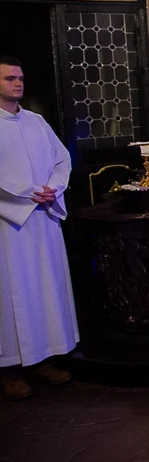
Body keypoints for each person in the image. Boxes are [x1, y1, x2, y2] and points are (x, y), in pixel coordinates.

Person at [0, 57, 78, 400]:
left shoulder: (36, 121)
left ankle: (44, 358)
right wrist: (29, 191)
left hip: (44, 217)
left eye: (19, 78)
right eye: (9, 79)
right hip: (9, 222)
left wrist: (54, 187)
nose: (18, 84)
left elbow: (63, 160)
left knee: (45, 289)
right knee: (14, 295)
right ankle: (9, 369)